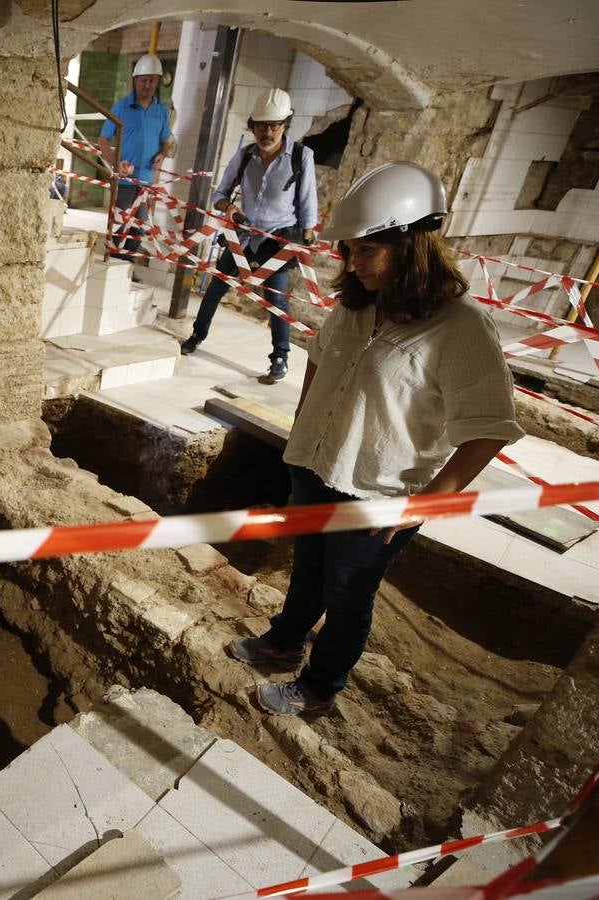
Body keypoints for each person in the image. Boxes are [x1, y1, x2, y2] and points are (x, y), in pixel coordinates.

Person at [225, 161, 525, 717]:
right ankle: (285, 640)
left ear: (411, 244)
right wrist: (301, 446)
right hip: (316, 469)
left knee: (346, 595)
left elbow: (488, 429)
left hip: (378, 495)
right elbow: (317, 364)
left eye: (366, 250)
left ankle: (318, 689)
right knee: (307, 567)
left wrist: (422, 506)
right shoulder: (354, 305)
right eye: (349, 251)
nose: (353, 263)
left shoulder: (459, 328)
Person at [179, 88, 318, 384]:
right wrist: (229, 208)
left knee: (276, 301)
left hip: (277, 242)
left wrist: (307, 236)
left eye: (274, 125)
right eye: (261, 126)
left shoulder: (301, 157)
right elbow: (219, 193)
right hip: (242, 237)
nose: (268, 132)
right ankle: (196, 336)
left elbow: (308, 204)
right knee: (216, 287)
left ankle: (279, 358)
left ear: (285, 125)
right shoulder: (244, 156)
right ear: (253, 125)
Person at [97, 54, 174, 265]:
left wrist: (162, 154)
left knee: (138, 228)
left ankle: (126, 270)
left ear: (157, 81)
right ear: (135, 80)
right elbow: (103, 139)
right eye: (144, 80)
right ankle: (111, 265)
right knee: (121, 225)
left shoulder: (160, 111)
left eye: (152, 80)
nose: (148, 85)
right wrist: (115, 163)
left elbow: (165, 141)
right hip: (124, 181)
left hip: (146, 181)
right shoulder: (122, 107)